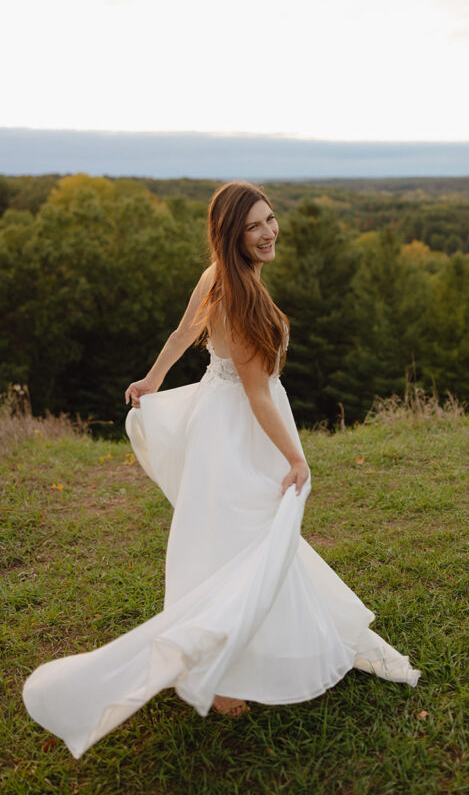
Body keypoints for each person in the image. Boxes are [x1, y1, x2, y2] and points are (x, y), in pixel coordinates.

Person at [23, 181, 419, 758]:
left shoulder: (221, 276)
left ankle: (238, 651)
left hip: (221, 419)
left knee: (228, 536)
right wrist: (296, 457)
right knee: (236, 539)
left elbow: (185, 333)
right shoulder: (239, 297)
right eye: (253, 226)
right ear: (231, 235)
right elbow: (255, 392)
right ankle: (223, 672)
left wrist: (153, 378)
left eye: (270, 219)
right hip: (239, 430)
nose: (268, 232)